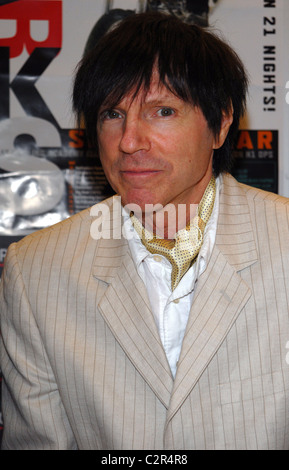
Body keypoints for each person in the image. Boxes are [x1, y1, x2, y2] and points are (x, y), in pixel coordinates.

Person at [1, 11, 289, 451]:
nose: (130, 141)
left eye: (163, 111)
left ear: (222, 122)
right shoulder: (35, 271)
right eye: (113, 113)